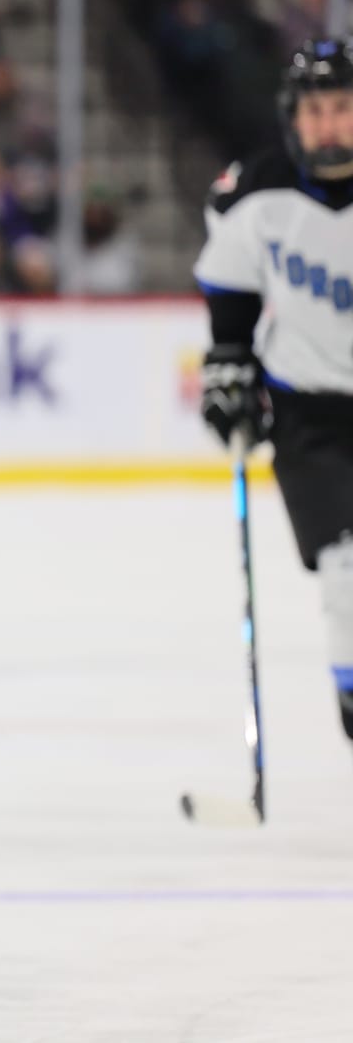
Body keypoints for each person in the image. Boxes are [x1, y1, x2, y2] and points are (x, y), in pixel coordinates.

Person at [195, 37, 353, 753]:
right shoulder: (256, 191)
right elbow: (230, 296)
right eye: (316, 110)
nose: (329, 124)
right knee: (347, 563)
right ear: (294, 116)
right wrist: (229, 365)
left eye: (343, 108)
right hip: (308, 414)